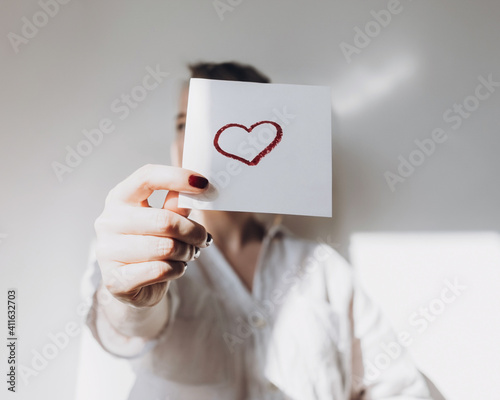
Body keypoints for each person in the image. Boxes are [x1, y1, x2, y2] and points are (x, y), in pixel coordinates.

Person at [83, 62, 433, 400]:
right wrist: (127, 297)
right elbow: (122, 331)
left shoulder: (322, 268)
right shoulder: (138, 246)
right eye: (183, 124)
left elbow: (398, 387)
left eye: (212, 121)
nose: (195, 140)